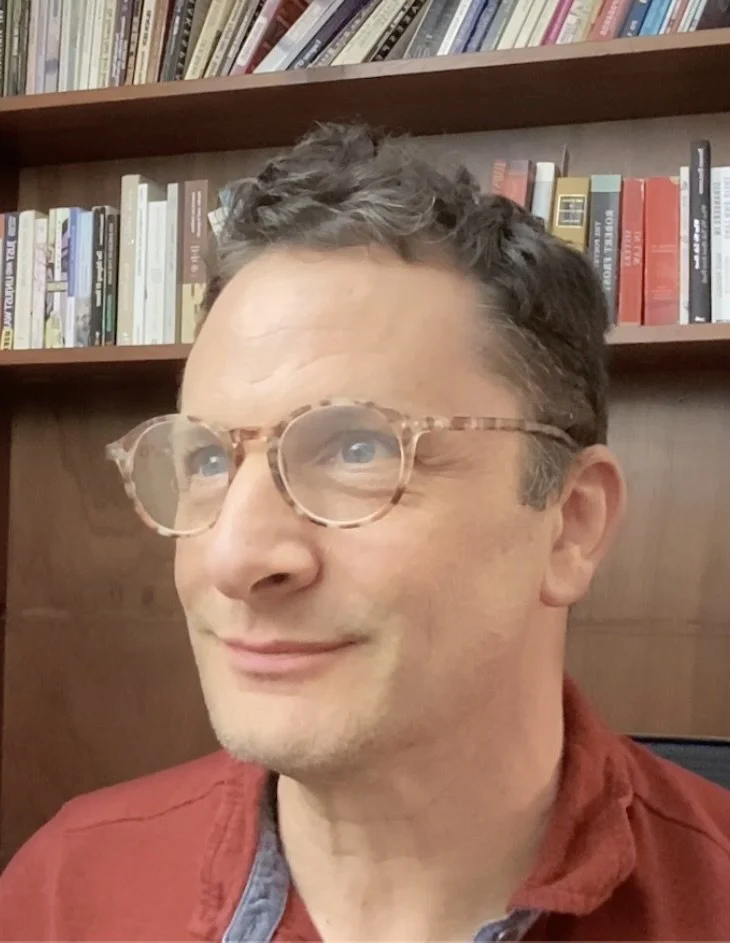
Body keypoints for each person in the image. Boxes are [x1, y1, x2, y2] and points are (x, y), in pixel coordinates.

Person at [1, 122, 729, 943]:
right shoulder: (66, 891)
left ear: (571, 523)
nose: (236, 558)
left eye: (355, 447)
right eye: (207, 459)